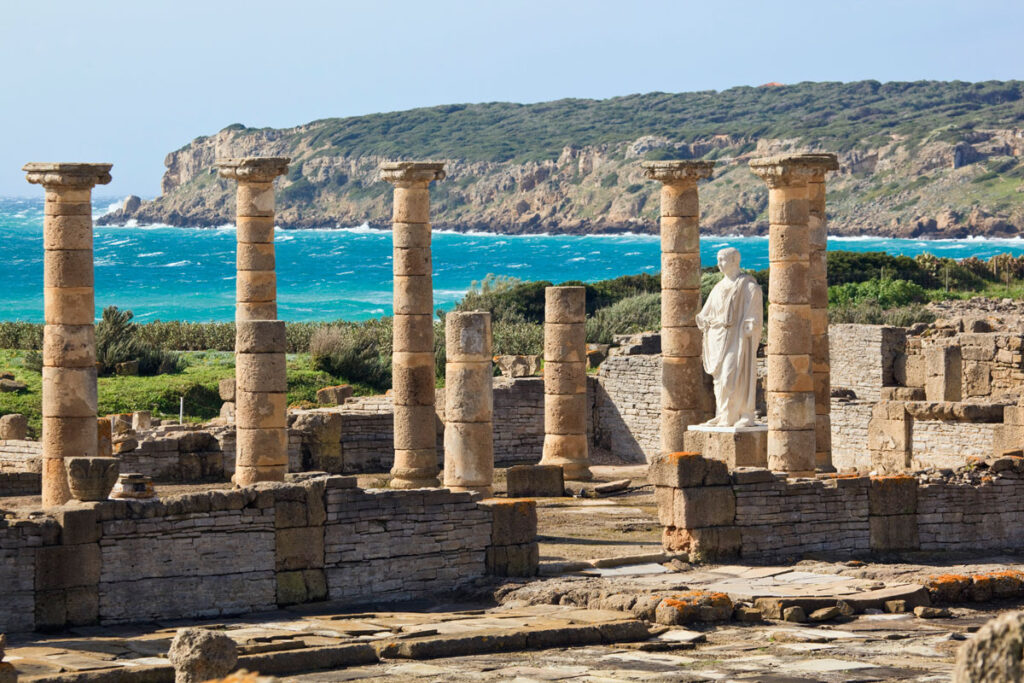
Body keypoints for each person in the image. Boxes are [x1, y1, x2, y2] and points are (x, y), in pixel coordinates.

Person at [695, 247, 763, 427]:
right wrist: (704, 320)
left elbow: (754, 311)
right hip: (718, 337)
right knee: (719, 381)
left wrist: (751, 322)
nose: (718, 264)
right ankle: (724, 414)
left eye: (722, 259)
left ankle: (743, 414)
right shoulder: (718, 288)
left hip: (737, 337)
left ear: (734, 261)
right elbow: (705, 312)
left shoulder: (747, 285)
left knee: (731, 376)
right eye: (718, 260)